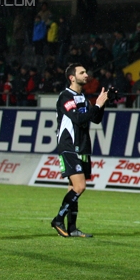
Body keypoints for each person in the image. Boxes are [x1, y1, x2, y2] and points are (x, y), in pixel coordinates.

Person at [50, 63, 110, 238]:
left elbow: (95, 119)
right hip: (69, 147)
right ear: (72, 77)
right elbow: (78, 118)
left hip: (83, 147)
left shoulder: (83, 98)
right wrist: (97, 106)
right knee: (80, 186)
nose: (86, 75)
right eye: (82, 72)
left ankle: (72, 228)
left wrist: (103, 103)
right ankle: (58, 219)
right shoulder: (65, 97)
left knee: (73, 188)